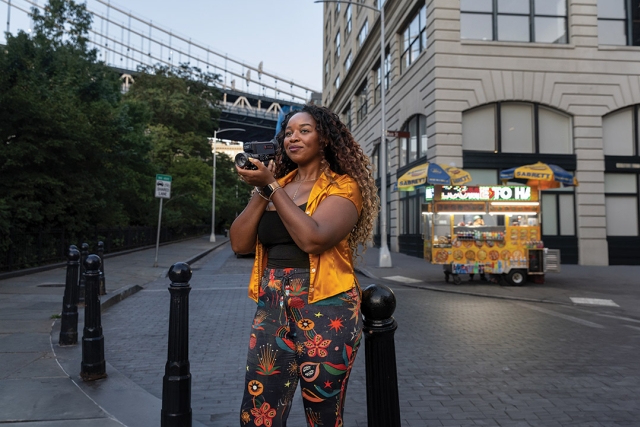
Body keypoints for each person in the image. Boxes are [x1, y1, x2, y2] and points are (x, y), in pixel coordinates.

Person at [230, 104, 379, 427]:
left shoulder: (343, 187)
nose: (292, 138)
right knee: (258, 413)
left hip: (328, 308)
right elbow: (240, 244)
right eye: (288, 133)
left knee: (322, 414)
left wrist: (273, 188)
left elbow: (314, 238)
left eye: (304, 131)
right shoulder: (275, 185)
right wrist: (262, 189)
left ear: (323, 138)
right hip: (271, 305)